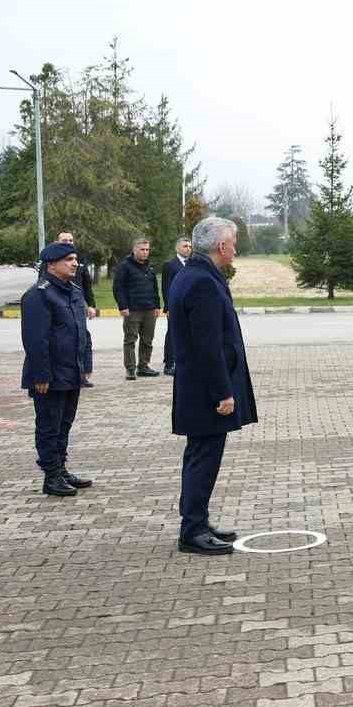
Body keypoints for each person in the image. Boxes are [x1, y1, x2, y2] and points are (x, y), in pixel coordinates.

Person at [166, 216, 257, 555]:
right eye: (233, 243)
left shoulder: (193, 273)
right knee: (203, 458)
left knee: (201, 456)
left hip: (197, 386)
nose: (235, 249)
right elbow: (208, 345)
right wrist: (223, 392)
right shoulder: (202, 281)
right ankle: (192, 530)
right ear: (221, 246)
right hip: (206, 390)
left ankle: (198, 522)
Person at [20, 241, 93, 498]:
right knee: (49, 425)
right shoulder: (39, 295)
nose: (75, 263)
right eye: (69, 259)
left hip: (71, 371)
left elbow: (82, 332)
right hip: (49, 375)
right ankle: (51, 476)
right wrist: (41, 374)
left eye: (75, 259)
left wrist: (85, 366)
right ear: (52, 264)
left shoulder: (72, 291)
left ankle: (61, 469)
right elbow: (35, 340)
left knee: (64, 423)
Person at [113, 238, 162, 380]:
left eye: (147, 250)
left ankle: (144, 366)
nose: (145, 252)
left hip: (149, 309)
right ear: (134, 250)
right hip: (132, 310)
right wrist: (123, 306)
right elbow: (118, 288)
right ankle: (130, 369)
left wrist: (157, 305)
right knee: (130, 340)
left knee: (147, 340)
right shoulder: (124, 267)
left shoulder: (149, 267)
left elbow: (154, 288)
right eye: (142, 249)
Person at [55, 231, 98, 387]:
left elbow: (87, 285)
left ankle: (83, 374)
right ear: (57, 242)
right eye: (64, 240)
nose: (68, 242)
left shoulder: (78, 260)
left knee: (83, 339)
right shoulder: (52, 261)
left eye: (70, 240)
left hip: (78, 304)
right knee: (65, 341)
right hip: (59, 305)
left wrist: (91, 305)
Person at [160, 237, 193, 375]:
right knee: (173, 334)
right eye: (185, 246)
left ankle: (186, 362)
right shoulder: (170, 265)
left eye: (190, 246)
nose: (188, 249)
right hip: (175, 306)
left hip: (190, 306)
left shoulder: (192, 264)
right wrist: (168, 307)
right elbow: (166, 288)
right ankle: (169, 364)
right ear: (178, 248)